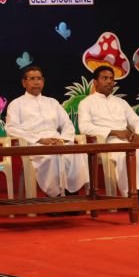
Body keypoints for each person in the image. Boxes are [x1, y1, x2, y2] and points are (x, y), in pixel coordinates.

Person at [77, 65, 139, 210]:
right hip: (107, 142)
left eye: (111, 79)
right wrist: (113, 132)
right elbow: (84, 127)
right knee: (126, 156)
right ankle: (130, 198)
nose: (109, 82)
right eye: (104, 78)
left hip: (128, 140)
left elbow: (137, 121)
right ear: (95, 82)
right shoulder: (86, 103)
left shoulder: (120, 102)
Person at [5, 66, 89, 198]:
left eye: (39, 79)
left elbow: (67, 123)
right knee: (51, 156)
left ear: (43, 82)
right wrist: (40, 140)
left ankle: (72, 194)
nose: (36, 82)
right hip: (34, 143)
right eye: (32, 79)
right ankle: (55, 196)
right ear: (24, 83)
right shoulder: (16, 104)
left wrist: (63, 139)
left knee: (76, 153)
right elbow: (11, 128)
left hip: (57, 140)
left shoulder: (52, 102)